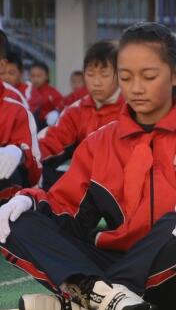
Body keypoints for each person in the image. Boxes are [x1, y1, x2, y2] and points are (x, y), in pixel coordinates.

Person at [0, 22, 176, 310]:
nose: (136, 88)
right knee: (15, 220)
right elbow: (65, 212)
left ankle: (87, 303)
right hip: (110, 265)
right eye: (126, 78)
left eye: (149, 77)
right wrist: (30, 202)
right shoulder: (100, 143)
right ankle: (101, 299)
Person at [37, 41, 124, 189]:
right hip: (82, 180)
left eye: (104, 75)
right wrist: (25, 156)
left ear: (120, 74)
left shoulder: (130, 108)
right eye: (90, 75)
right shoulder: (77, 109)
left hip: (118, 183)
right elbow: (53, 141)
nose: (96, 82)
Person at [0, 31, 40, 202]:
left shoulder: (16, 108)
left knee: (11, 171)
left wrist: (20, 153)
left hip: (6, 204)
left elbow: (35, 174)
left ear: (1, 66)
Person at [27, 62, 64, 127]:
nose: (35, 79)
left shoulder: (52, 92)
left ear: (46, 76)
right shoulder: (28, 90)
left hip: (46, 125)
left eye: (39, 76)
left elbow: (62, 106)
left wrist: (56, 113)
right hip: (30, 123)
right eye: (32, 76)